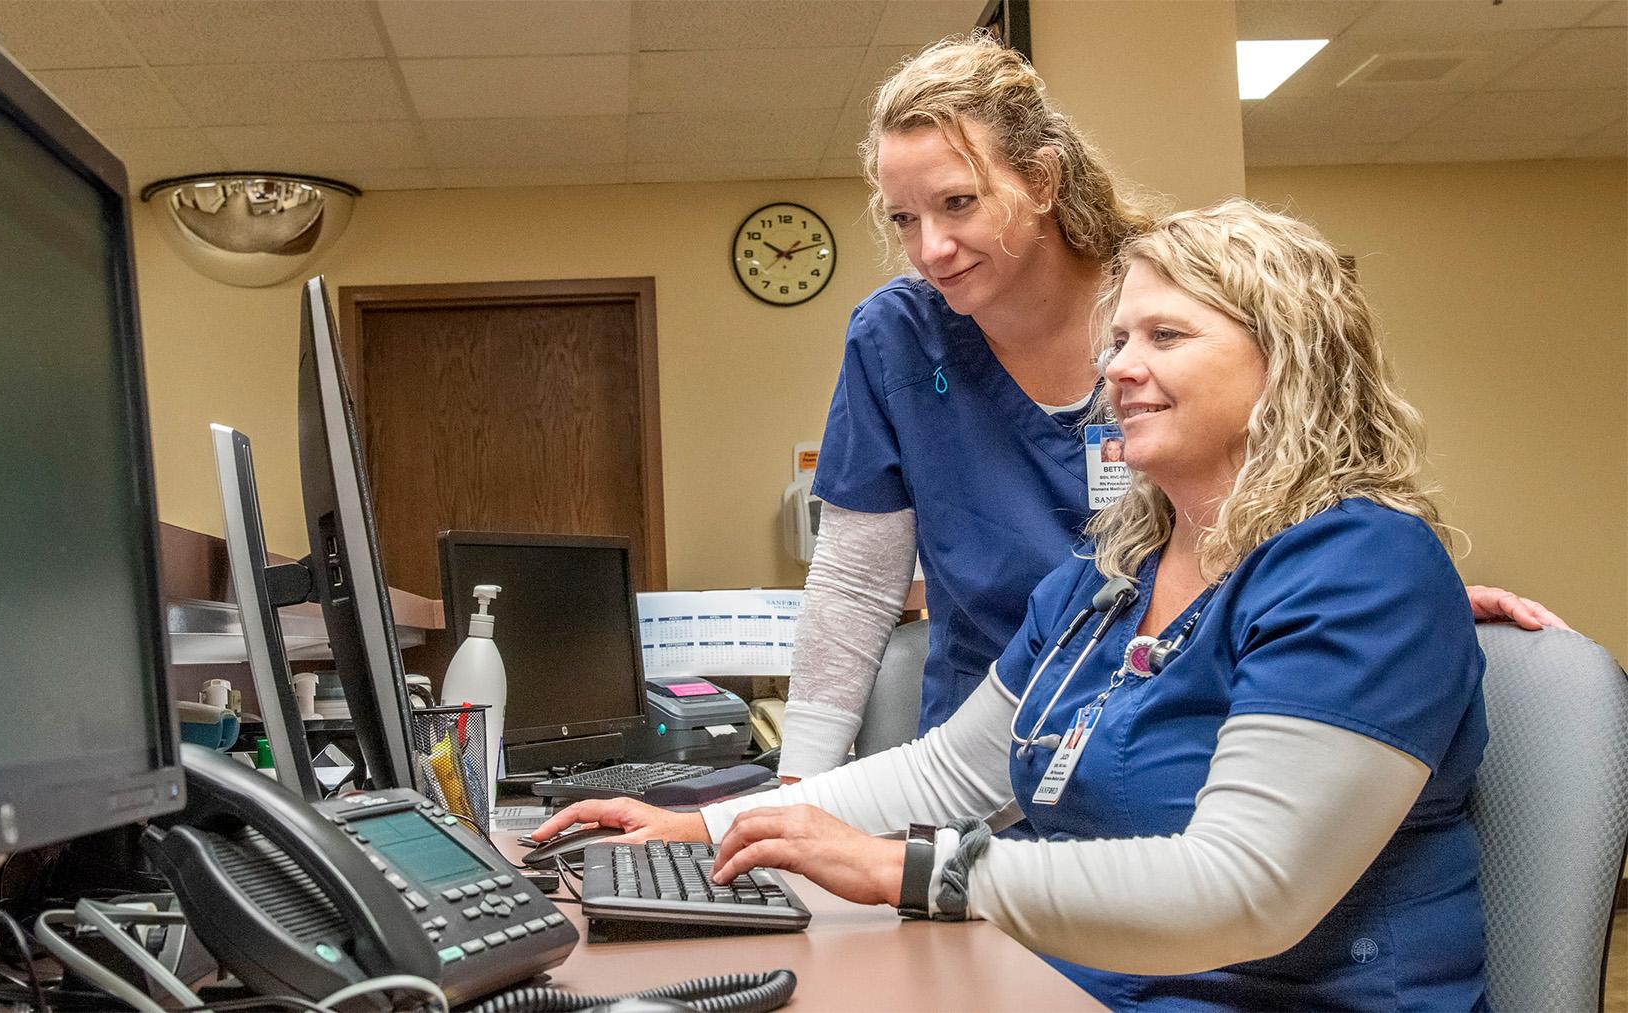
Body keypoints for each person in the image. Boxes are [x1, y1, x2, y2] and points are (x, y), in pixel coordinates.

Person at [539, 201, 1492, 1008]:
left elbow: (1247, 888)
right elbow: (954, 773)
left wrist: (907, 872)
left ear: (1290, 362)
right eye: (1119, 338)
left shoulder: (1359, 566)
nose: (1117, 367)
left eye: (1166, 336)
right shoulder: (1111, 572)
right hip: (1082, 981)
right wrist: (710, 827)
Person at [780, 33, 1564, 783]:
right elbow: (854, 583)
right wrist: (793, 791)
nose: (931, 249)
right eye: (904, 219)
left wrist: (1382, 596)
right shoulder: (899, 338)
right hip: (993, 739)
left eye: (958, 203)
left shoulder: (1176, 294)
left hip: (1173, 736)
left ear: (1044, 181)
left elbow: (1304, 468)